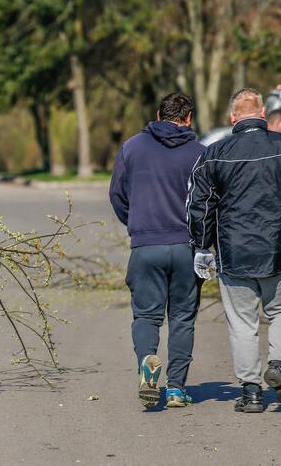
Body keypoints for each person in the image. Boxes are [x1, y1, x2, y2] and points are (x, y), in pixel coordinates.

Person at [188, 87, 281, 413]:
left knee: (242, 323)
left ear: (233, 117)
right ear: (262, 114)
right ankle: (280, 365)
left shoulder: (215, 153)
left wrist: (201, 247)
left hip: (233, 252)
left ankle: (252, 391)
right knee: (280, 312)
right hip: (277, 249)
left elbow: (200, 206)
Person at [110, 92, 204, 409]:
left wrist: (137, 223)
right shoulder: (200, 154)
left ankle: (147, 364)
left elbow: (117, 195)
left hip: (145, 245)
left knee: (146, 316)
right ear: (189, 118)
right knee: (182, 318)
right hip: (184, 247)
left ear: (158, 115)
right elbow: (208, 204)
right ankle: (176, 388)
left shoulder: (132, 148)